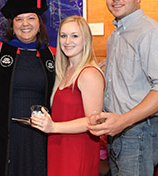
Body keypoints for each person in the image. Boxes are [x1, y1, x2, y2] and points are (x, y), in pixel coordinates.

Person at [88, 0, 158, 176]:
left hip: (137, 133)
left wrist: (123, 121)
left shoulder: (150, 32)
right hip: (117, 132)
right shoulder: (117, 34)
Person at [0, 0, 56, 176]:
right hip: (4, 136)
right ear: (12, 24)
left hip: (40, 136)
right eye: (19, 19)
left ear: (39, 22)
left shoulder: (52, 55)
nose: (25, 24)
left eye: (31, 18)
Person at [30, 15, 105, 176]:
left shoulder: (89, 73)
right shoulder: (63, 71)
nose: (67, 41)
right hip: (58, 146)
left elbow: (93, 121)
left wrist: (53, 127)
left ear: (86, 39)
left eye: (75, 36)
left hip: (78, 150)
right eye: (63, 36)